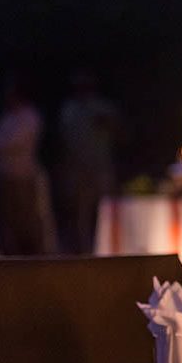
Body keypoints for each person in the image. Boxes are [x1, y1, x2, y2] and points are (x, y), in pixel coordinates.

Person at [0, 76, 55, 255]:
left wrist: (4, 145)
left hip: (24, 176)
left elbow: (13, 142)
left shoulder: (30, 116)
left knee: (28, 219)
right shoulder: (8, 117)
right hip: (6, 175)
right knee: (9, 220)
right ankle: (12, 255)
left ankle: (33, 255)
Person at [58, 71, 117, 253]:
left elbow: (117, 130)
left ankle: (106, 247)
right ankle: (83, 250)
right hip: (77, 168)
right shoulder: (69, 109)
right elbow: (64, 139)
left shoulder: (101, 107)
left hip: (99, 167)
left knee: (103, 210)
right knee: (80, 212)